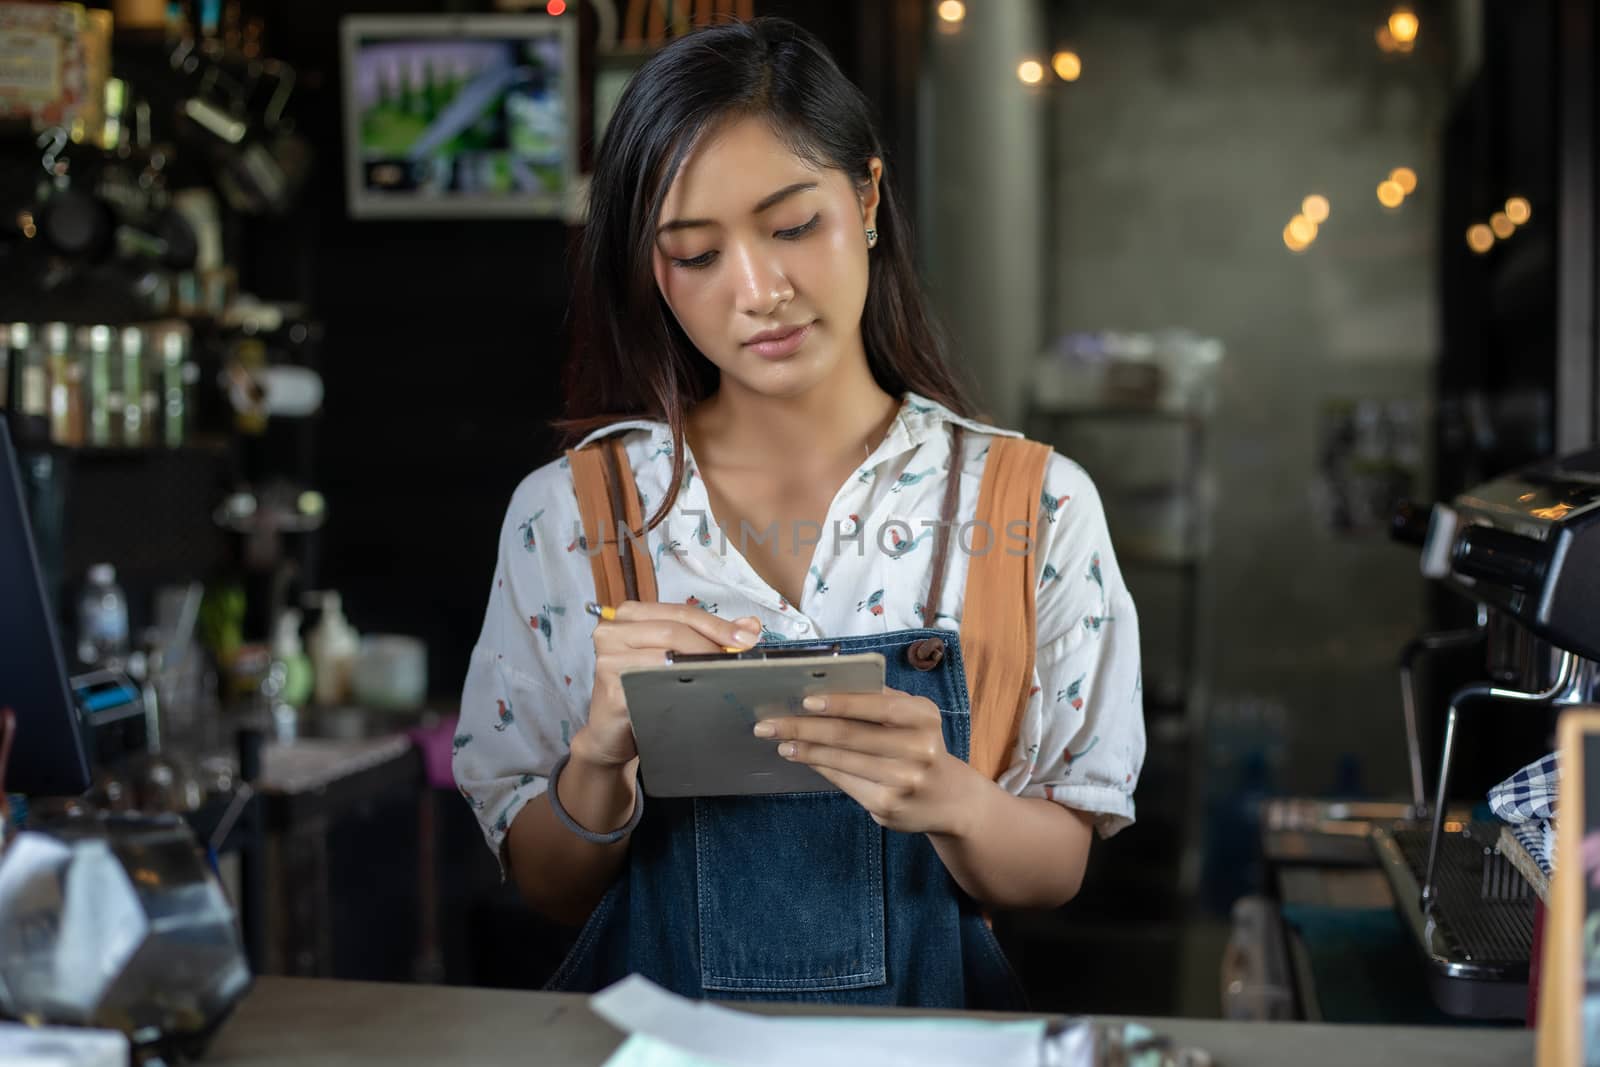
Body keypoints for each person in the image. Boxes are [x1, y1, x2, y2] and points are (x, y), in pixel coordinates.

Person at [452, 17, 1144, 1009]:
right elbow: (549, 887)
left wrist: (946, 797)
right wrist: (600, 755)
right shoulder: (567, 516)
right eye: (694, 254)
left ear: (865, 199)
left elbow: (1059, 862)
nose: (758, 291)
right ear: (656, 272)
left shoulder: (1033, 507)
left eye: (789, 227)